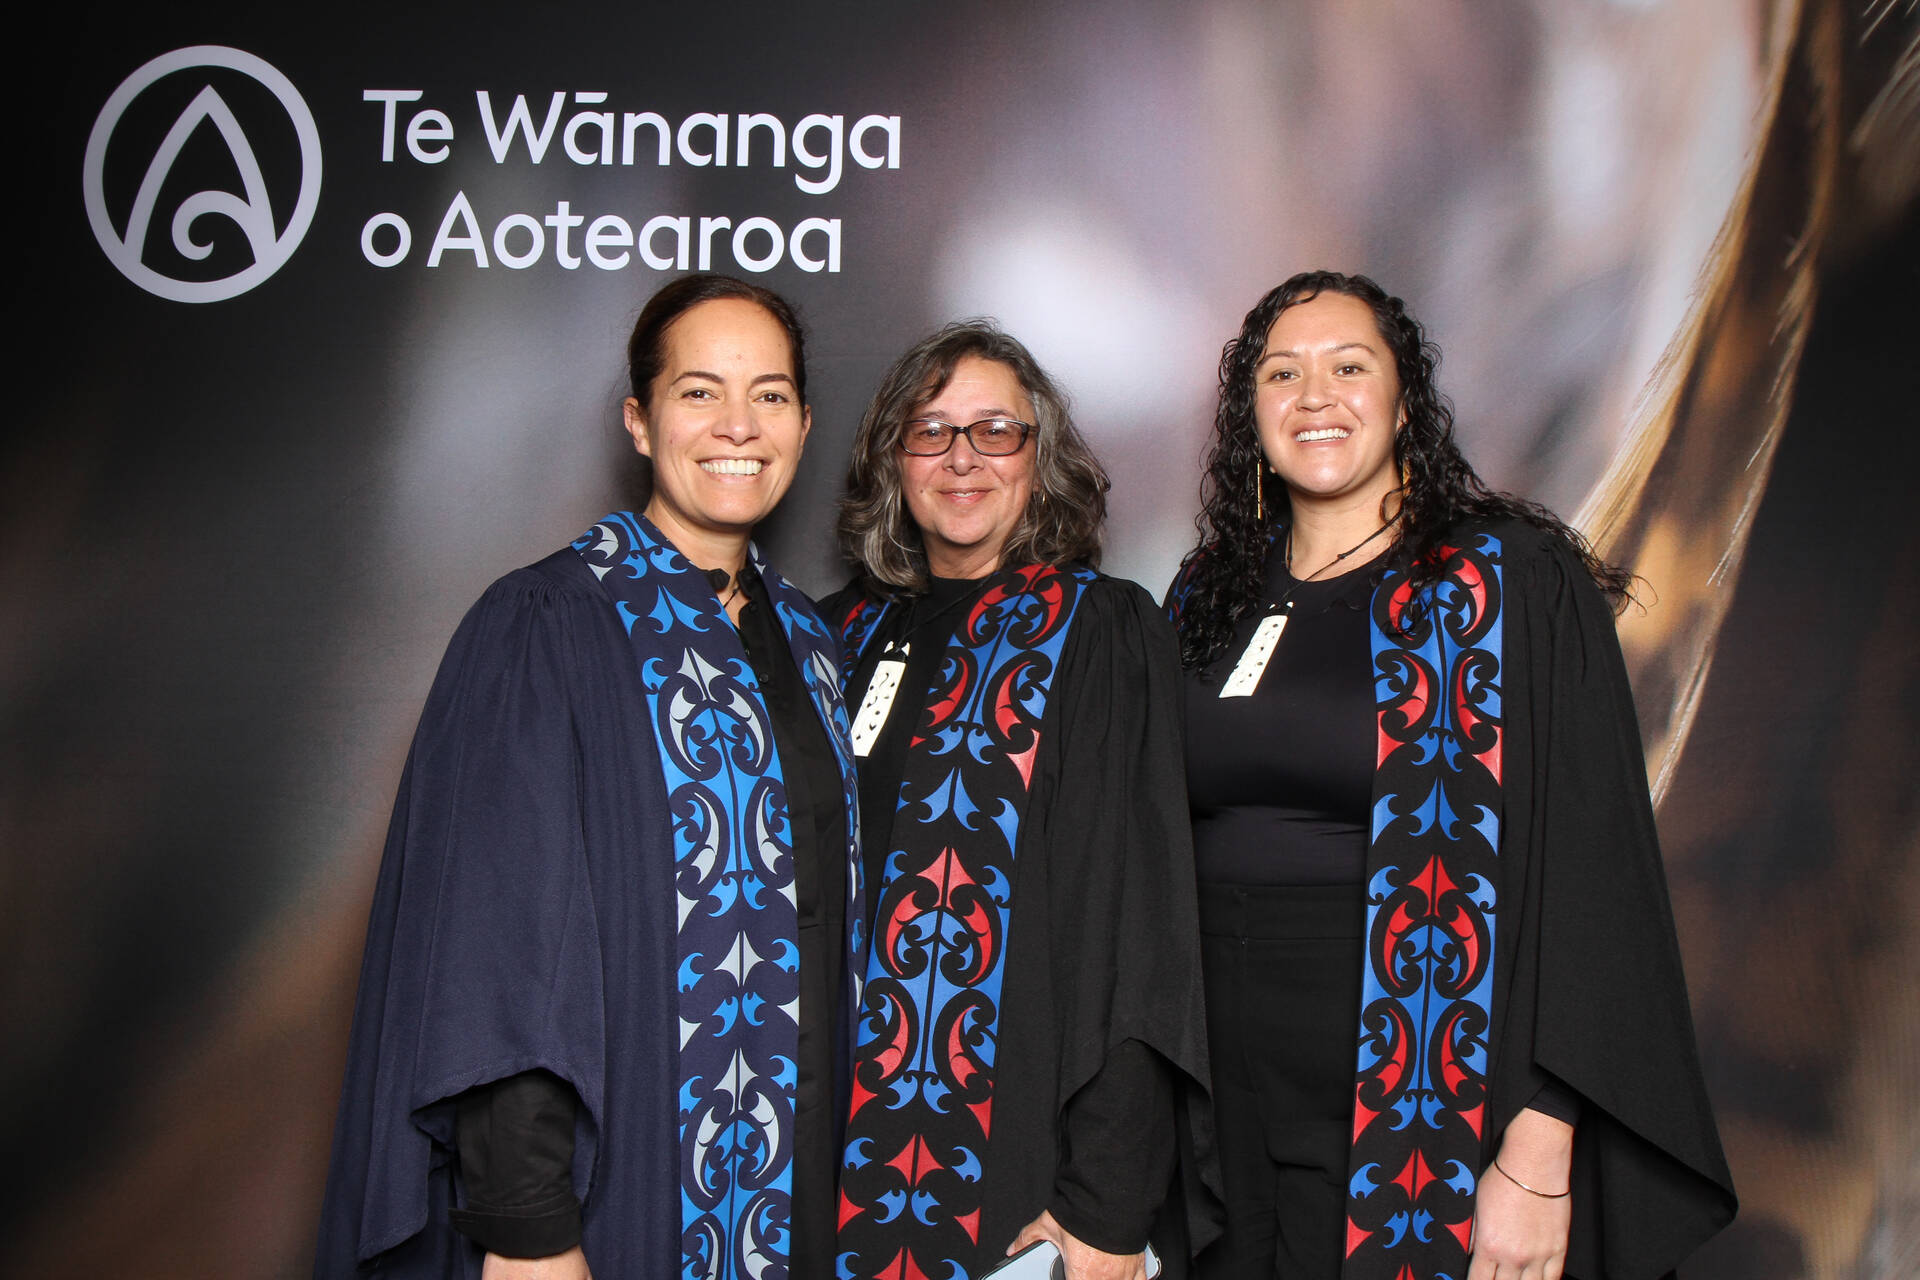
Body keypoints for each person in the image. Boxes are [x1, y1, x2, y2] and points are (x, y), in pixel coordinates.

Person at [1165, 271, 1736, 1280]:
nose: (1314, 395)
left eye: (1350, 367)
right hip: (1221, 1112)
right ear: (1250, 413)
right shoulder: (1209, 593)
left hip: (1423, 1094)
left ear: (1404, 401)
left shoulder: (1505, 582)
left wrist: (1538, 1156)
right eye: (1282, 373)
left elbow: (1590, 874)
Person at [312, 274, 863, 1279]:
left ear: (804, 423)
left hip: (793, 1204)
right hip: (615, 1197)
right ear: (640, 421)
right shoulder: (550, 626)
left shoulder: (813, 646)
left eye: (771, 394)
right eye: (699, 391)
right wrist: (529, 1228)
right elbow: (498, 951)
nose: (739, 424)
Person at [826, 322, 1220, 1280]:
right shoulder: (834, 637)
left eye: (996, 431)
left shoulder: (1101, 635)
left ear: (1040, 459)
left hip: (1015, 1172)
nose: (962, 458)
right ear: (893, 459)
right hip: (822, 1161)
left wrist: (1109, 1203)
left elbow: (1141, 928)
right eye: (931, 431)